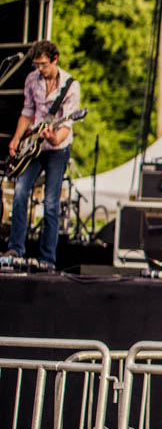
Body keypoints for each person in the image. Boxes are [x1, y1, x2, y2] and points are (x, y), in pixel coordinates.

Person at [5, 40, 81, 268]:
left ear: (55, 59)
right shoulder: (32, 80)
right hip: (33, 146)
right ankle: (15, 249)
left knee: (51, 202)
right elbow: (27, 112)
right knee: (20, 192)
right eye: (36, 65)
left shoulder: (70, 86)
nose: (40, 69)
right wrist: (17, 138)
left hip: (57, 148)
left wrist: (53, 137)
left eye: (43, 64)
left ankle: (47, 258)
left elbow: (66, 126)